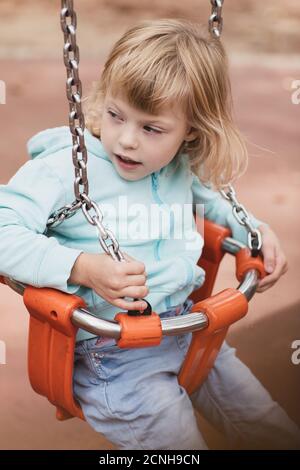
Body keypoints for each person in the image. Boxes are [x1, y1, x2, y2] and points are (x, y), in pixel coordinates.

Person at [0, 18, 299, 450]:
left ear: (191, 130)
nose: (125, 140)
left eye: (151, 128)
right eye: (116, 115)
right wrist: (81, 267)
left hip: (186, 329)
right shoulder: (66, 168)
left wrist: (257, 231)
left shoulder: (178, 166)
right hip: (113, 355)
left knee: (269, 426)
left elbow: (215, 202)